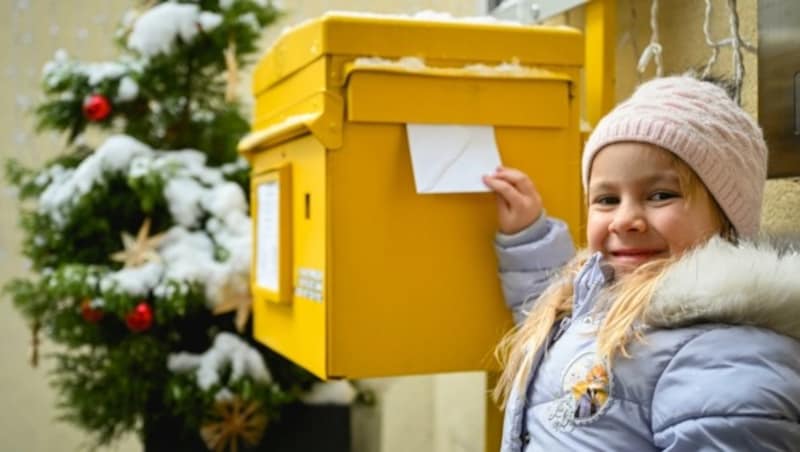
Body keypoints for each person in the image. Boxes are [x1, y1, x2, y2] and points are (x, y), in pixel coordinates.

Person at [482, 75, 800, 451]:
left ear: (728, 217)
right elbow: (562, 316)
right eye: (607, 199)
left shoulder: (726, 353)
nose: (623, 220)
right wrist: (529, 237)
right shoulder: (605, 299)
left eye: (660, 195)